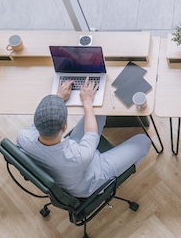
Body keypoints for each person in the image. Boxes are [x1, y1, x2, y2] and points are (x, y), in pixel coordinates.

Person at [16, 78, 151, 198]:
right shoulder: (78, 158)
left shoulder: (23, 138)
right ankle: (120, 176)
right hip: (91, 179)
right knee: (144, 140)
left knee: (98, 110)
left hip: (66, 168)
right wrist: (87, 102)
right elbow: (91, 133)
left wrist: (57, 98)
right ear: (64, 128)